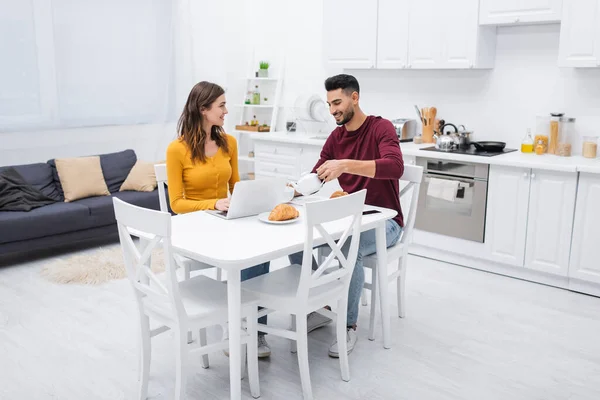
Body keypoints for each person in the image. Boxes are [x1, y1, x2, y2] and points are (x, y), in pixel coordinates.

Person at [289, 74, 404, 358]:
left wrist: (346, 165)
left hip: (384, 221)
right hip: (348, 219)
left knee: (346, 247)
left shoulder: (381, 128)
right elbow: (317, 175)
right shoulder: (336, 137)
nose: (332, 110)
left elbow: (394, 167)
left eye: (337, 102)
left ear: (355, 97)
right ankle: (319, 307)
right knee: (297, 242)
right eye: (329, 104)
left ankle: (348, 324)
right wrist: (295, 189)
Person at [166, 81, 271, 358]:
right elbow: (176, 204)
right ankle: (235, 322)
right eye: (221, 105)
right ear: (203, 109)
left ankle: (252, 327)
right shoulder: (176, 150)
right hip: (195, 228)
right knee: (244, 255)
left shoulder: (230, 143)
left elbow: (236, 187)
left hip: (227, 222)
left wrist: (254, 198)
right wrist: (214, 203)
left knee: (260, 251)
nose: (227, 110)